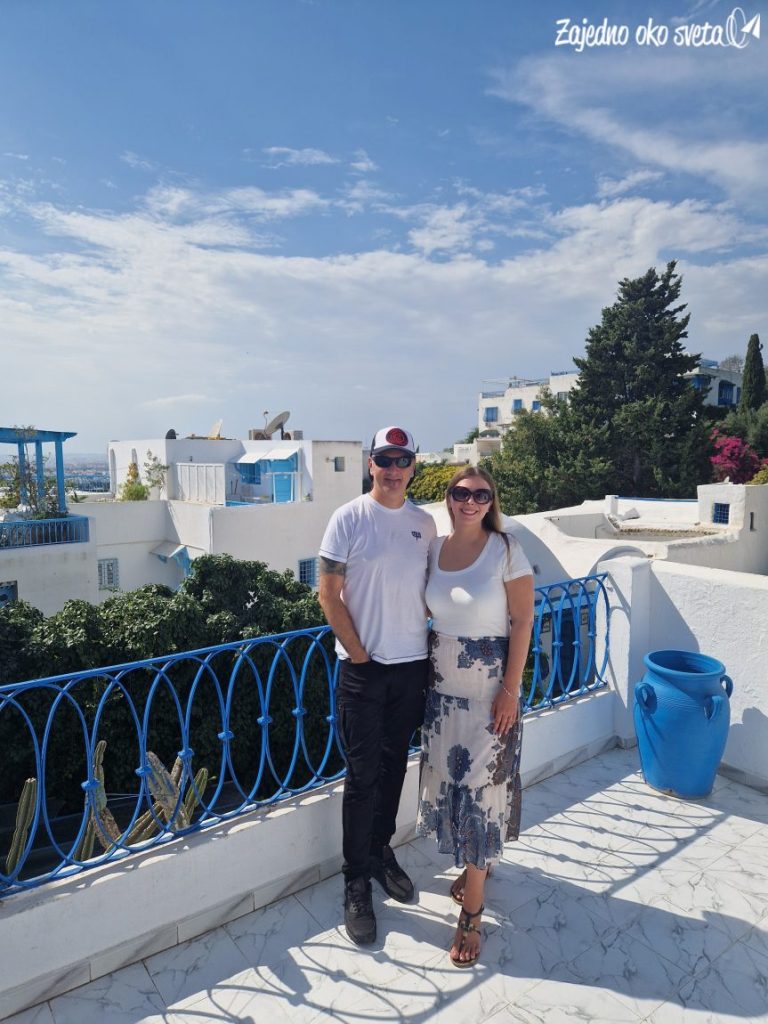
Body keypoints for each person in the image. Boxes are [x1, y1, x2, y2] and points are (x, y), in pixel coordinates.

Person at [318, 426, 437, 946]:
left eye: (402, 460)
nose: (393, 469)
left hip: (412, 667)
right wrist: (361, 656)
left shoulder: (424, 524)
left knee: (393, 769)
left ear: (413, 466)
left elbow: (431, 589)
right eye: (385, 459)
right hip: (363, 670)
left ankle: (380, 851)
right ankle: (355, 881)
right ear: (371, 463)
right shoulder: (348, 518)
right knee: (362, 775)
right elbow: (328, 594)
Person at [416, 465, 534, 967]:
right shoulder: (434, 549)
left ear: (491, 501)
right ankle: (472, 866)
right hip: (441, 691)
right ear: (448, 498)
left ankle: (473, 912)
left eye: (481, 494)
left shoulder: (506, 549)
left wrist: (510, 690)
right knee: (453, 784)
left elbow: (523, 620)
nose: (470, 501)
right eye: (461, 492)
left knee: (483, 793)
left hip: (489, 693)